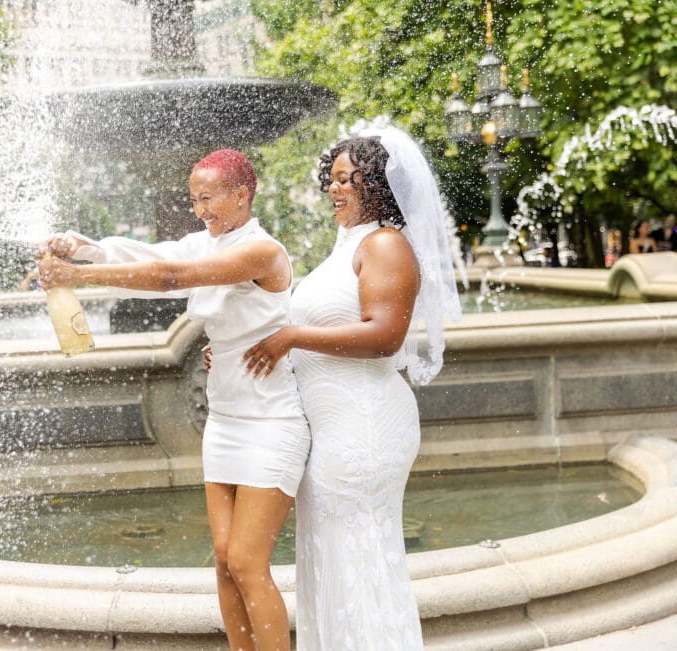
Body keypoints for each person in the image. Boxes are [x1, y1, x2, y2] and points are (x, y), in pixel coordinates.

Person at [38, 149, 310, 651]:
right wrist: (87, 247)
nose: (199, 209)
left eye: (207, 198)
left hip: (273, 418)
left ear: (241, 195)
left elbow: (172, 278)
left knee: (249, 562)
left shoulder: (263, 252)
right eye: (193, 199)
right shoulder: (206, 241)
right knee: (225, 562)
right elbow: (157, 256)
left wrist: (80, 276)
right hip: (226, 419)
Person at [242, 124, 461, 650]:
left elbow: (384, 336)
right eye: (332, 179)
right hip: (333, 425)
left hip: (365, 424)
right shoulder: (346, 249)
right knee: (331, 559)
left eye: (348, 179)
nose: (334, 190)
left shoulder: (386, 244)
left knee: (358, 557)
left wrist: (291, 336)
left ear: (378, 185)